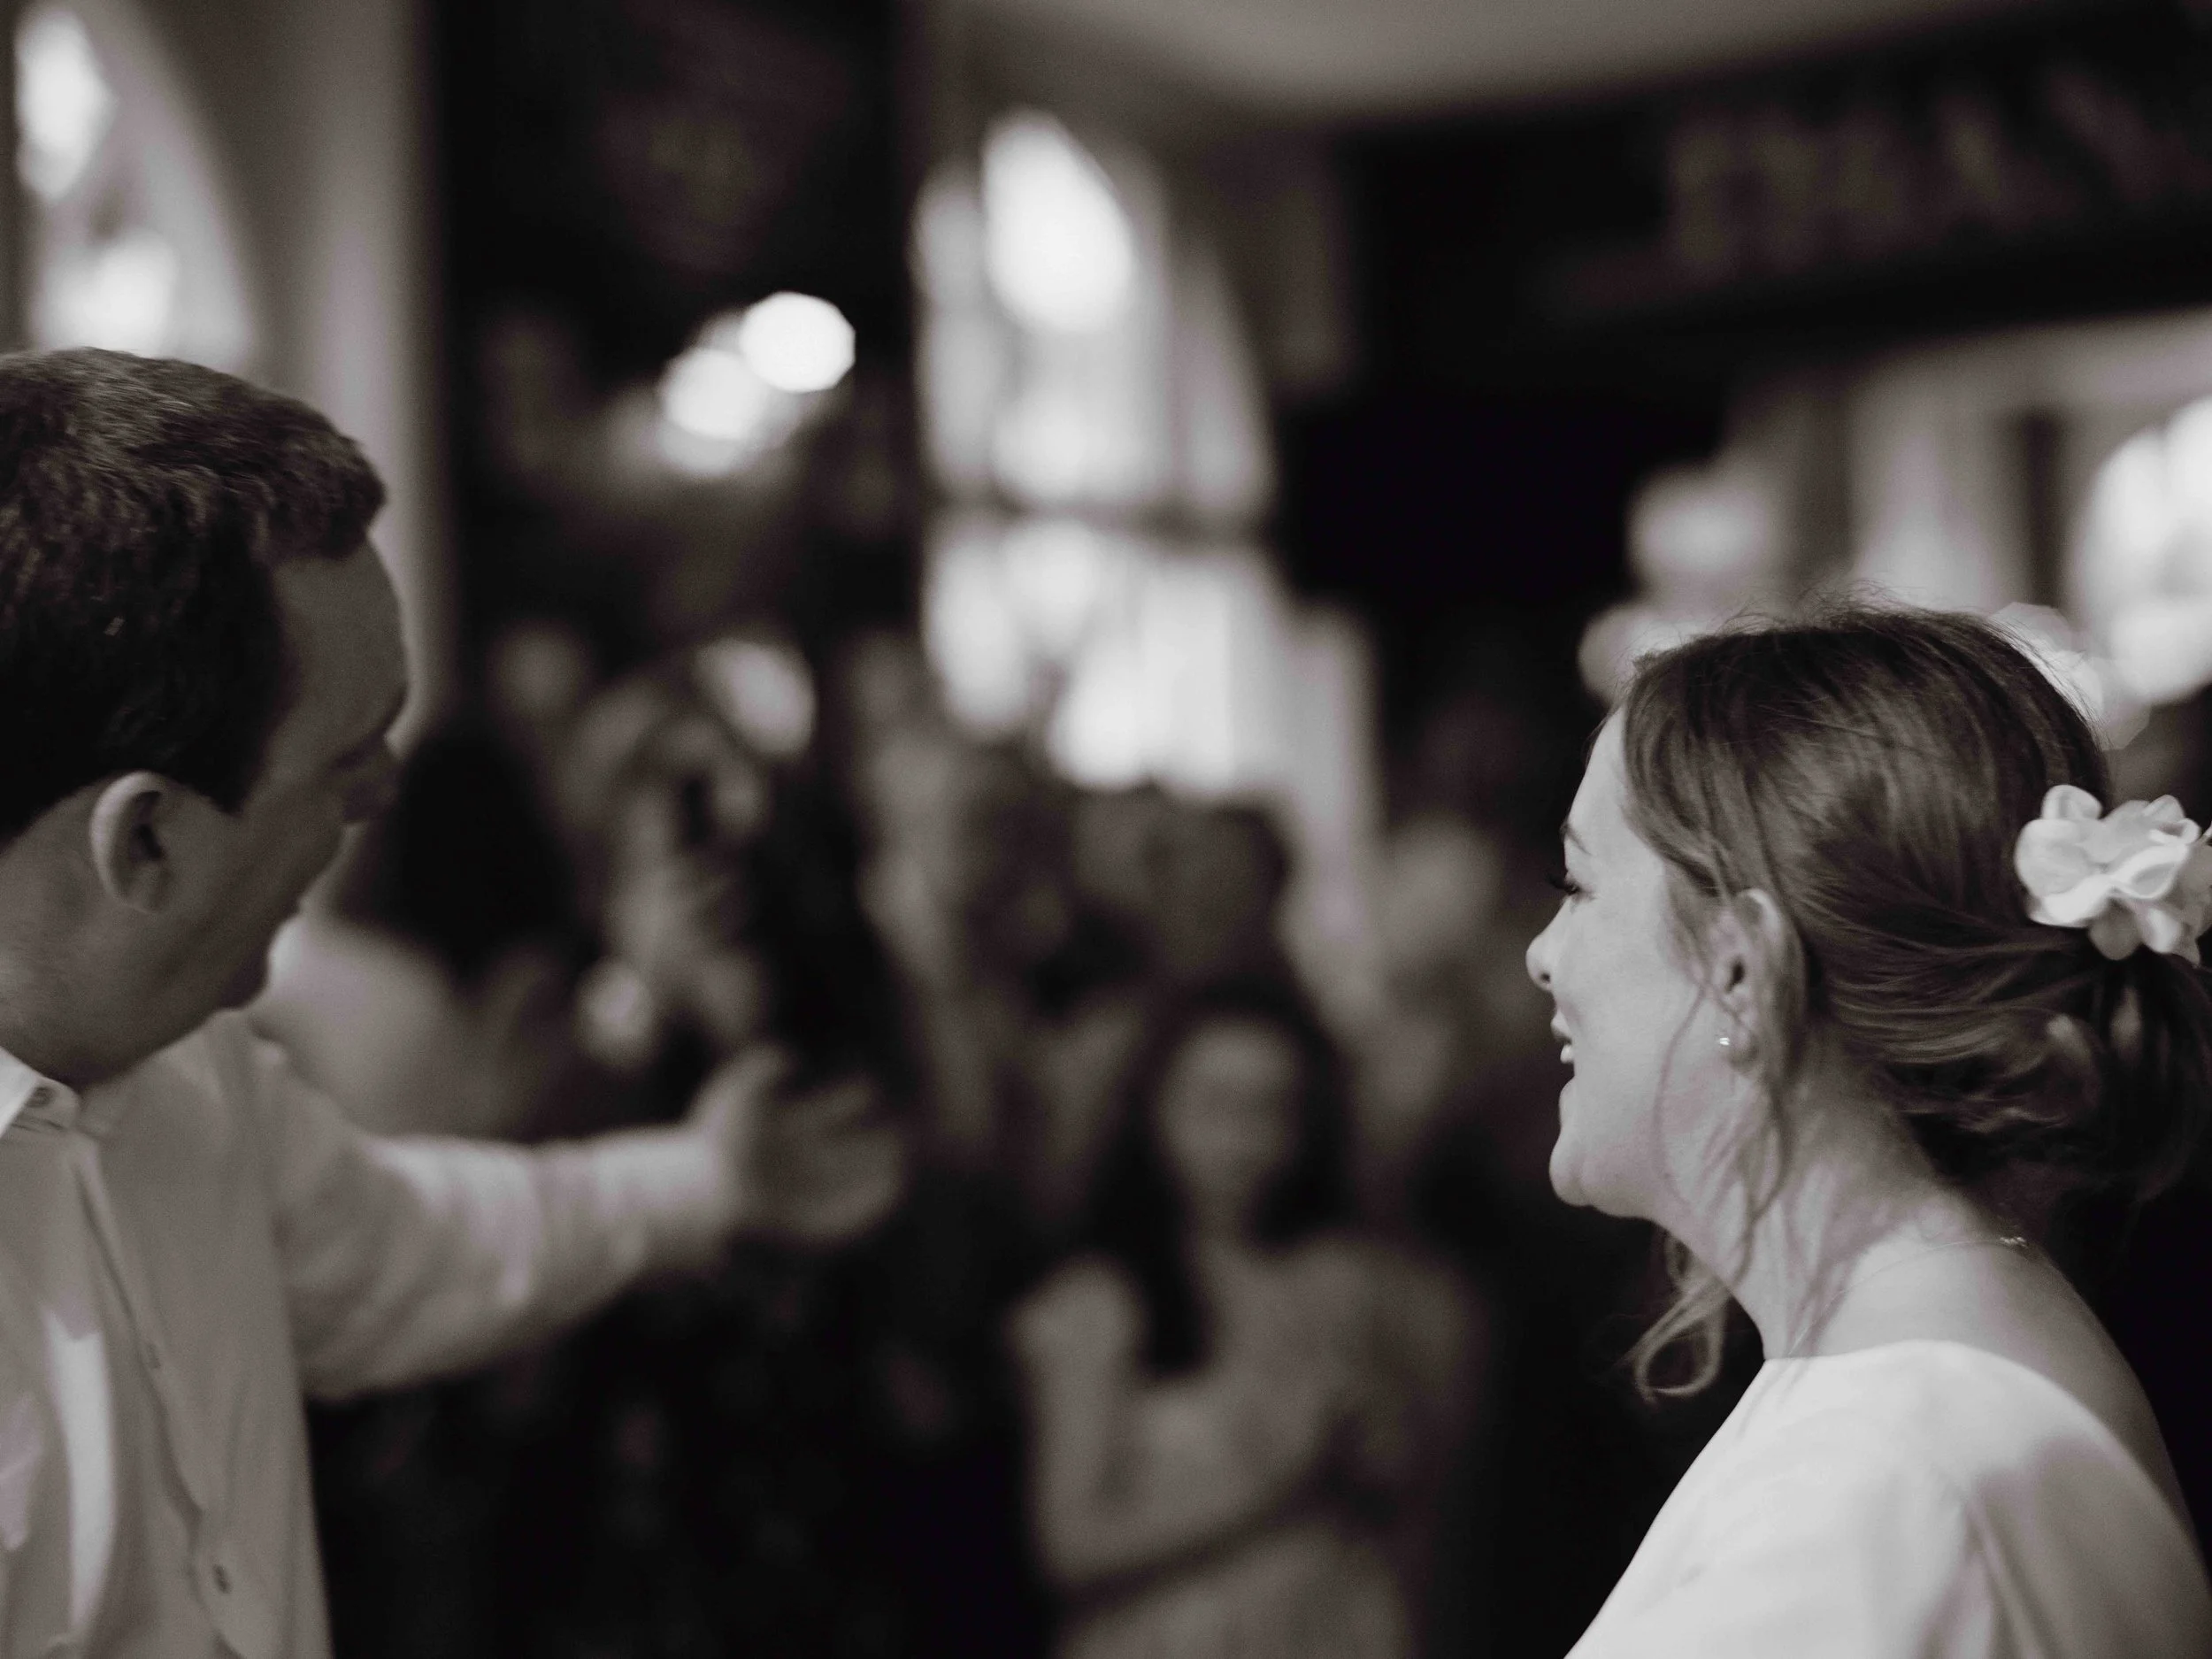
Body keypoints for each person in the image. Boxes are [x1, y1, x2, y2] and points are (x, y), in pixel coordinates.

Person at [0, 349, 902, 1657]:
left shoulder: (201, 1074)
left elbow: (408, 1239)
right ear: (146, 842)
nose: (379, 805)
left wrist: (708, 1177)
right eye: (348, 759)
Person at [1526, 605, 2212, 1656]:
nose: (1541, 953)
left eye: (1580, 885)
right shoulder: (1923, 1378)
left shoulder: (1882, 1484)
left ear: (1740, 968)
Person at [1011, 976, 1469, 1659]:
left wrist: (1377, 1444)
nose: (1242, 1141)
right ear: (1153, 1108)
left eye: (1270, 1110)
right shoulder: (1103, 1300)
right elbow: (1071, 1544)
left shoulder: (1339, 1278)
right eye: (1214, 1105)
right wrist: (1273, 1483)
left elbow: (1405, 1491)